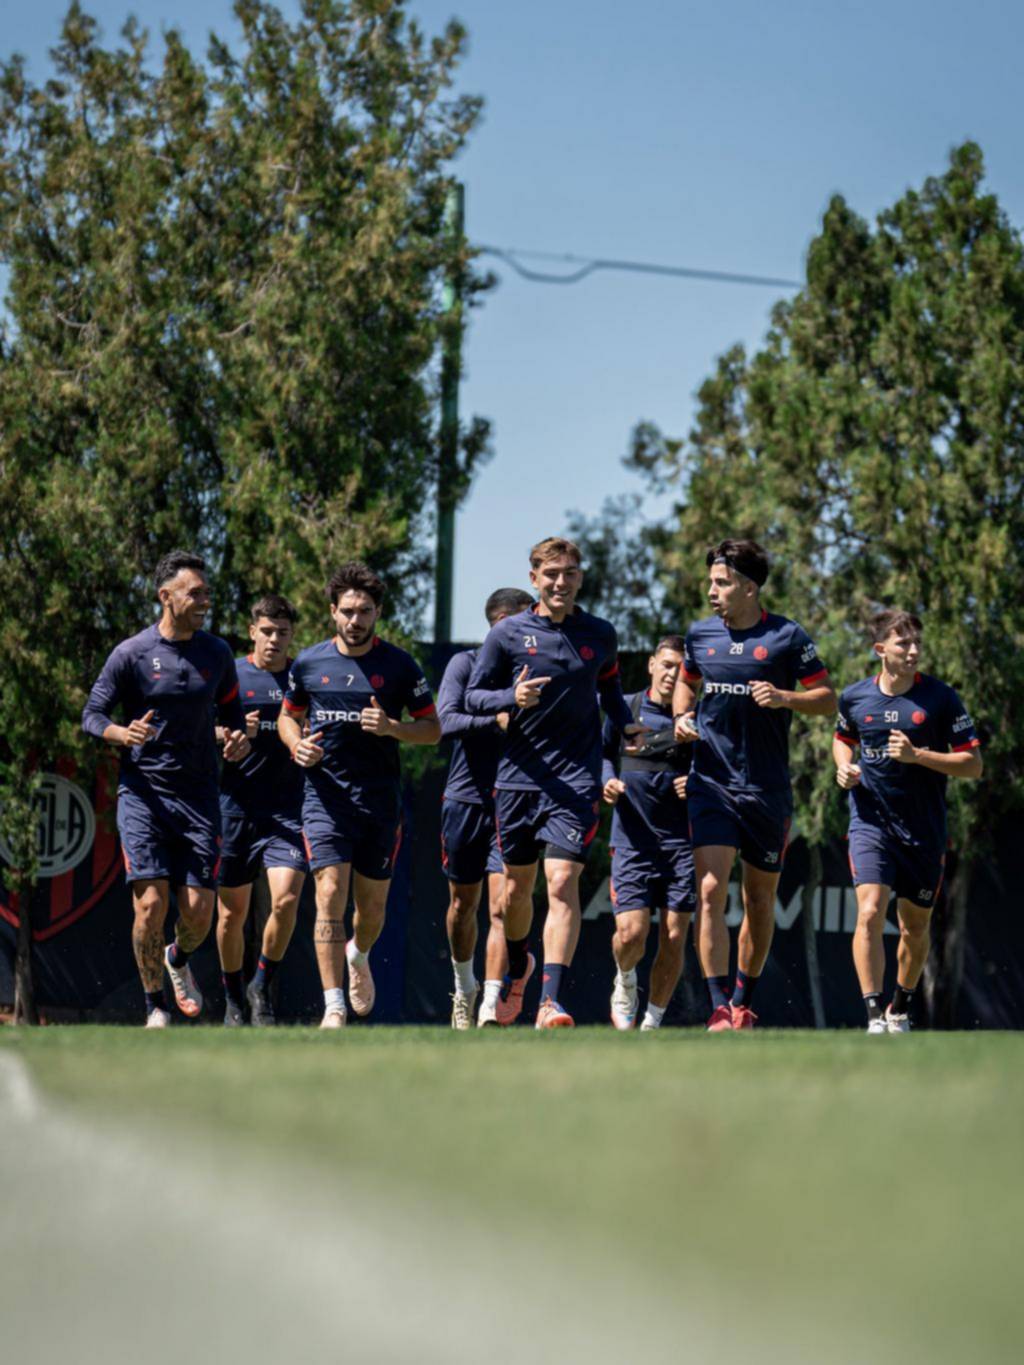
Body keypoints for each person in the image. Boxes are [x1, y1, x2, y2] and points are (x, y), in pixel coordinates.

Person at [465, 536, 643, 1028]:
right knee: (512, 896)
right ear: (534, 579)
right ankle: (519, 964)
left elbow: (608, 686)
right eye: (551, 574)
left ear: (580, 578)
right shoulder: (506, 636)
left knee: (562, 883)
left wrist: (624, 721)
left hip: (576, 781)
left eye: (569, 574)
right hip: (519, 780)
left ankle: (550, 1001)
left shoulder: (600, 634)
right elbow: (474, 697)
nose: (560, 582)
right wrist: (510, 697)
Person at [673, 539, 836, 1031]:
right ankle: (719, 1005)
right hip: (711, 782)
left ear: (748, 587)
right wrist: (682, 714)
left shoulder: (787, 636)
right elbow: (686, 680)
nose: (711, 591)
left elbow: (827, 699)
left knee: (759, 900)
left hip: (766, 789)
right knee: (709, 890)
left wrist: (786, 697)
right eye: (710, 582)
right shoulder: (700, 635)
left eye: (721, 583)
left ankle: (743, 999)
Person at [82, 550, 250, 1027]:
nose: (204, 601)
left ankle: (177, 959)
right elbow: (92, 715)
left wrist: (234, 739)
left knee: (199, 913)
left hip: (199, 797)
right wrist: (122, 733)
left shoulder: (217, 654)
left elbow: (232, 715)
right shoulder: (131, 654)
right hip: (144, 796)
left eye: (206, 593)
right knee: (151, 903)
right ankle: (155, 1005)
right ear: (166, 597)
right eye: (194, 593)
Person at [278, 562, 440, 1028]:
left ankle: (359, 952)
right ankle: (332, 1005)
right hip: (325, 800)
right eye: (347, 611)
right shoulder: (308, 662)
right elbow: (290, 716)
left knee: (370, 910)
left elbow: (432, 730)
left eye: (365, 611)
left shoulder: (399, 665)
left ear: (377, 613)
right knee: (329, 893)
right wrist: (295, 743)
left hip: (380, 803)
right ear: (332, 612)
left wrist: (392, 727)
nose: (356, 620)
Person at [833, 610, 982, 1034]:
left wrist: (920, 757)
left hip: (922, 830)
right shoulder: (855, 697)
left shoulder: (941, 698)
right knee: (869, 912)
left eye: (917, 642)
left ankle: (900, 1006)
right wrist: (844, 767)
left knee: (914, 927)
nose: (914, 650)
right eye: (903, 644)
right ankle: (874, 1015)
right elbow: (843, 739)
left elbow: (973, 765)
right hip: (870, 823)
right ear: (880, 650)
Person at [437, 587, 534, 1029]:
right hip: (465, 800)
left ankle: (491, 1004)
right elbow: (445, 719)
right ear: (497, 624)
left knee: (501, 906)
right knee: (462, 905)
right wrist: (493, 719)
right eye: (514, 626)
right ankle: (464, 986)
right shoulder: (467, 663)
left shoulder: (536, 672)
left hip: (513, 801)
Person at [215, 595, 307, 1027]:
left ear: (292, 636)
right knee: (231, 913)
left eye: (282, 633)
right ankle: (233, 998)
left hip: (288, 810)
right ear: (252, 631)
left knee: (286, 899)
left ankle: (261, 986)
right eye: (266, 631)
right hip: (235, 809)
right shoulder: (231, 673)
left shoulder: (301, 676)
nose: (273, 640)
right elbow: (200, 726)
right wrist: (229, 733)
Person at [602, 636, 694, 1031]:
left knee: (674, 936)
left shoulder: (696, 720)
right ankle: (625, 981)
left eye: (683, 668)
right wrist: (606, 780)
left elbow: (720, 771)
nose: (674, 674)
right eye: (668, 664)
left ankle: (652, 1021)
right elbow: (602, 754)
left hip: (682, 846)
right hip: (632, 842)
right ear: (653, 665)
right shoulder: (626, 709)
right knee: (631, 933)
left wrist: (697, 782)